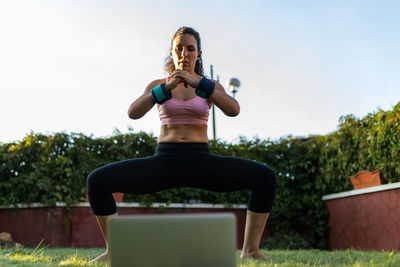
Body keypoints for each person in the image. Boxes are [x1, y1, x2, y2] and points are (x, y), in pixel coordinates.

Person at [86, 26, 277, 262]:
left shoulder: (210, 86)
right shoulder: (159, 84)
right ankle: (114, 252)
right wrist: (166, 88)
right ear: (172, 52)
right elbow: (133, 113)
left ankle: (250, 251)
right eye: (179, 48)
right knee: (97, 180)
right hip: (164, 161)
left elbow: (234, 110)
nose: (185, 53)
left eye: (190, 48)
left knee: (265, 177)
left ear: (198, 53)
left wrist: (199, 84)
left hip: (201, 161)